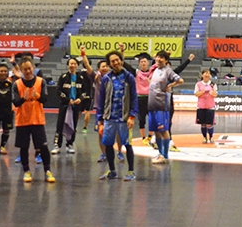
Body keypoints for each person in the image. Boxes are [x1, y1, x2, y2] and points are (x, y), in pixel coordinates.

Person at [12, 56, 55, 183]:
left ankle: (47, 170)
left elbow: (45, 99)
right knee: (24, 147)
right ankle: (26, 171)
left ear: (33, 68)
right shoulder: (16, 84)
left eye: (29, 68)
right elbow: (15, 102)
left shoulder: (41, 82)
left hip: (37, 120)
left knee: (43, 147)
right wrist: (23, 99)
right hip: (22, 120)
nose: (27, 71)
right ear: (20, 70)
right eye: (24, 69)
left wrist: (38, 96)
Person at [96, 50, 138, 181]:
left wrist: (132, 116)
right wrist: (100, 119)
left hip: (124, 118)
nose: (115, 63)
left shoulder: (129, 77)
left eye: (117, 60)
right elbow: (101, 99)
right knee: (108, 144)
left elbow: (134, 98)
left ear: (121, 60)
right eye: (112, 61)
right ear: (109, 64)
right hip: (109, 118)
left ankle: (131, 171)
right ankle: (112, 171)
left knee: (127, 144)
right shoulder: (106, 78)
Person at [147, 50, 183, 165]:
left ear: (166, 60)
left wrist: (170, 86)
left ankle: (165, 155)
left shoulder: (168, 71)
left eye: (162, 57)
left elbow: (180, 80)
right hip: (152, 105)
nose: (159, 59)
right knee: (156, 131)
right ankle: (160, 153)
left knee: (163, 130)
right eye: (158, 57)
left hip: (161, 106)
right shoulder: (155, 70)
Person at [51, 58, 90, 155]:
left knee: (73, 125)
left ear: (77, 65)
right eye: (70, 64)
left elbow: (85, 91)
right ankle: (57, 145)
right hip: (64, 105)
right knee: (60, 125)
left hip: (76, 106)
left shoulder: (81, 78)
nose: (72, 65)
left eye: (74, 64)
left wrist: (80, 99)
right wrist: (68, 100)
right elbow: (58, 90)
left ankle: (70, 144)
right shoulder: (63, 77)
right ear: (68, 65)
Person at [195, 69, 218, 143]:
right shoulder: (198, 84)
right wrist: (203, 91)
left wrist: (212, 93)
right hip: (201, 106)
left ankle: (211, 137)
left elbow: (216, 95)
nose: (207, 75)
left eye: (208, 73)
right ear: (202, 75)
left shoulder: (213, 84)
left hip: (210, 106)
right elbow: (196, 94)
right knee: (203, 124)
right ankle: (204, 137)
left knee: (209, 124)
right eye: (205, 73)